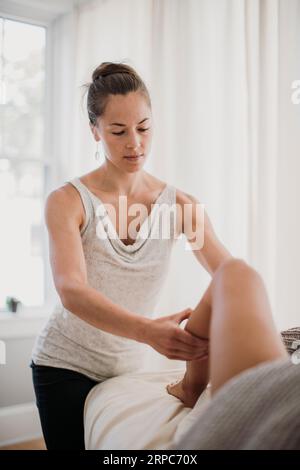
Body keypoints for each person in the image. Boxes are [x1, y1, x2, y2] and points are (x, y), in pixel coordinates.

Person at [30, 61, 231, 450]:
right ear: (95, 131)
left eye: (143, 128)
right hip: (63, 367)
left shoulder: (181, 205)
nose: (134, 144)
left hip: (126, 373)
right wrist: (148, 331)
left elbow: (230, 273)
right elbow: (71, 290)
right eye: (118, 131)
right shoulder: (67, 201)